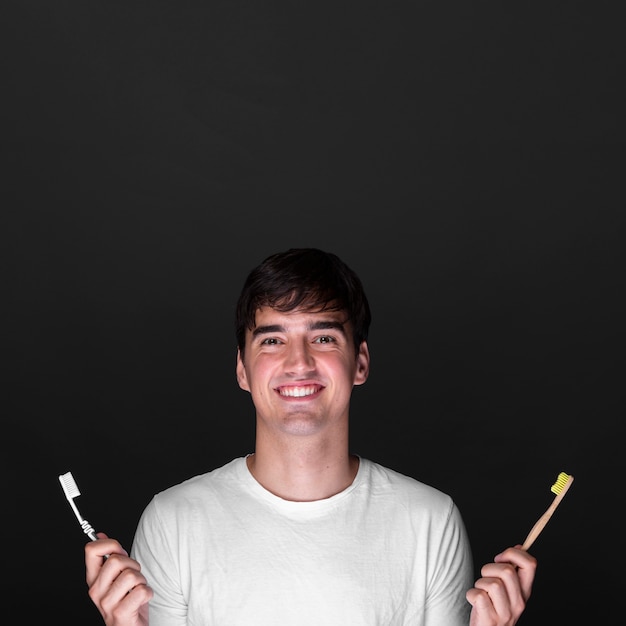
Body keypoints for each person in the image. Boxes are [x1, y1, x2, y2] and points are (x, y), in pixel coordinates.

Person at [85, 247, 537, 626]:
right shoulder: (173, 521)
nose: (298, 363)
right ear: (242, 369)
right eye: (272, 340)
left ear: (360, 362)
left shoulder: (430, 520)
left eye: (322, 338)